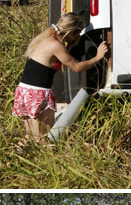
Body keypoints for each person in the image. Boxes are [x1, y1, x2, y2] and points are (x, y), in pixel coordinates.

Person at [13, 13, 109, 142]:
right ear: (70, 31)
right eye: (77, 33)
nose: (77, 37)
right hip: (38, 93)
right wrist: (98, 57)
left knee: (31, 136)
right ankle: (42, 160)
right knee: (43, 137)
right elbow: (77, 67)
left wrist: (71, 46)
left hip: (25, 91)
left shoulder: (47, 38)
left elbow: (59, 56)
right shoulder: (56, 45)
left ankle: (15, 158)